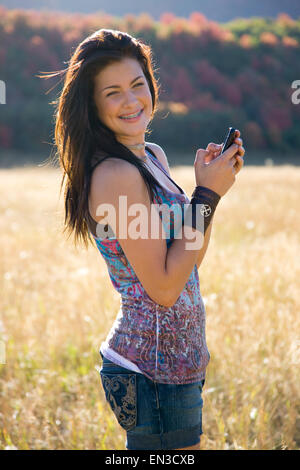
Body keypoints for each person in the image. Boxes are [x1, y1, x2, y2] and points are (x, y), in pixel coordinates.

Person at [48, 28, 245, 450]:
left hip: (178, 363)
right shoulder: (115, 175)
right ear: (93, 104)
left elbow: (188, 262)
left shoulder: (151, 156)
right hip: (150, 370)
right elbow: (164, 288)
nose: (132, 100)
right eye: (113, 92)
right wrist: (206, 194)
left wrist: (208, 192)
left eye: (138, 84)